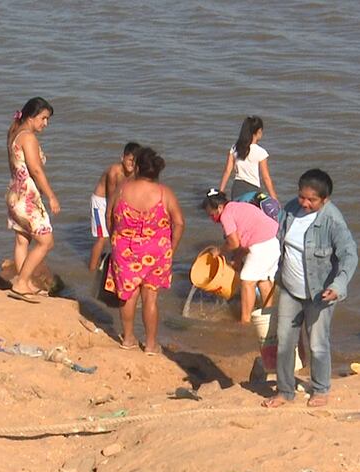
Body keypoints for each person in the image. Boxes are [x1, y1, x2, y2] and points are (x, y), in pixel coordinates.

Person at [263, 169, 357, 408]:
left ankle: (321, 388)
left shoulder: (332, 220)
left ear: (325, 199)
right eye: (302, 196)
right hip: (290, 290)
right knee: (285, 342)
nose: (304, 203)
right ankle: (285, 391)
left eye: (311, 200)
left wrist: (338, 285)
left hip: (320, 294)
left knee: (317, 344)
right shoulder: (292, 209)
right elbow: (280, 240)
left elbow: (349, 255)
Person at [106, 148, 184, 354]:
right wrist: (171, 249)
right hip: (157, 251)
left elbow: (108, 215)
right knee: (150, 298)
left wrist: (115, 239)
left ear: (138, 167)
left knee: (128, 295)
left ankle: (129, 339)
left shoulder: (122, 190)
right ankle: (150, 345)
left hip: (125, 249)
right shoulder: (164, 193)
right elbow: (179, 223)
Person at [5, 97, 59, 303]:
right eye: (43, 118)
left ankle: (23, 283)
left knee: (22, 240)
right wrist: (51, 196)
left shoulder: (15, 134)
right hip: (26, 197)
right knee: (46, 242)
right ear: (31, 116)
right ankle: (21, 282)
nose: (45, 124)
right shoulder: (28, 138)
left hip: (14, 194)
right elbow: (36, 170)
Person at [202, 189, 280, 323]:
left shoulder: (226, 215)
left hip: (261, 246)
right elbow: (245, 240)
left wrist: (219, 250)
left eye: (212, 214)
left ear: (220, 207)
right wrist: (237, 259)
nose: (212, 218)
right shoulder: (237, 206)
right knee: (263, 280)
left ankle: (245, 321)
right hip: (273, 242)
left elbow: (233, 242)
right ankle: (267, 317)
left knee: (247, 281)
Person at [88, 142, 141, 272]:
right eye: (129, 160)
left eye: (135, 161)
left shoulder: (135, 172)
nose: (132, 164)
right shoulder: (114, 171)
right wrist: (111, 215)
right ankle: (91, 269)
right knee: (102, 238)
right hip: (100, 202)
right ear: (122, 158)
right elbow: (111, 195)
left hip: (116, 200)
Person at [218, 116, 278, 201]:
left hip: (237, 188)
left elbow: (227, 171)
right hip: (252, 189)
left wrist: (221, 192)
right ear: (259, 131)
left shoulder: (235, 148)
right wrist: (274, 198)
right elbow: (266, 178)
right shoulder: (261, 152)